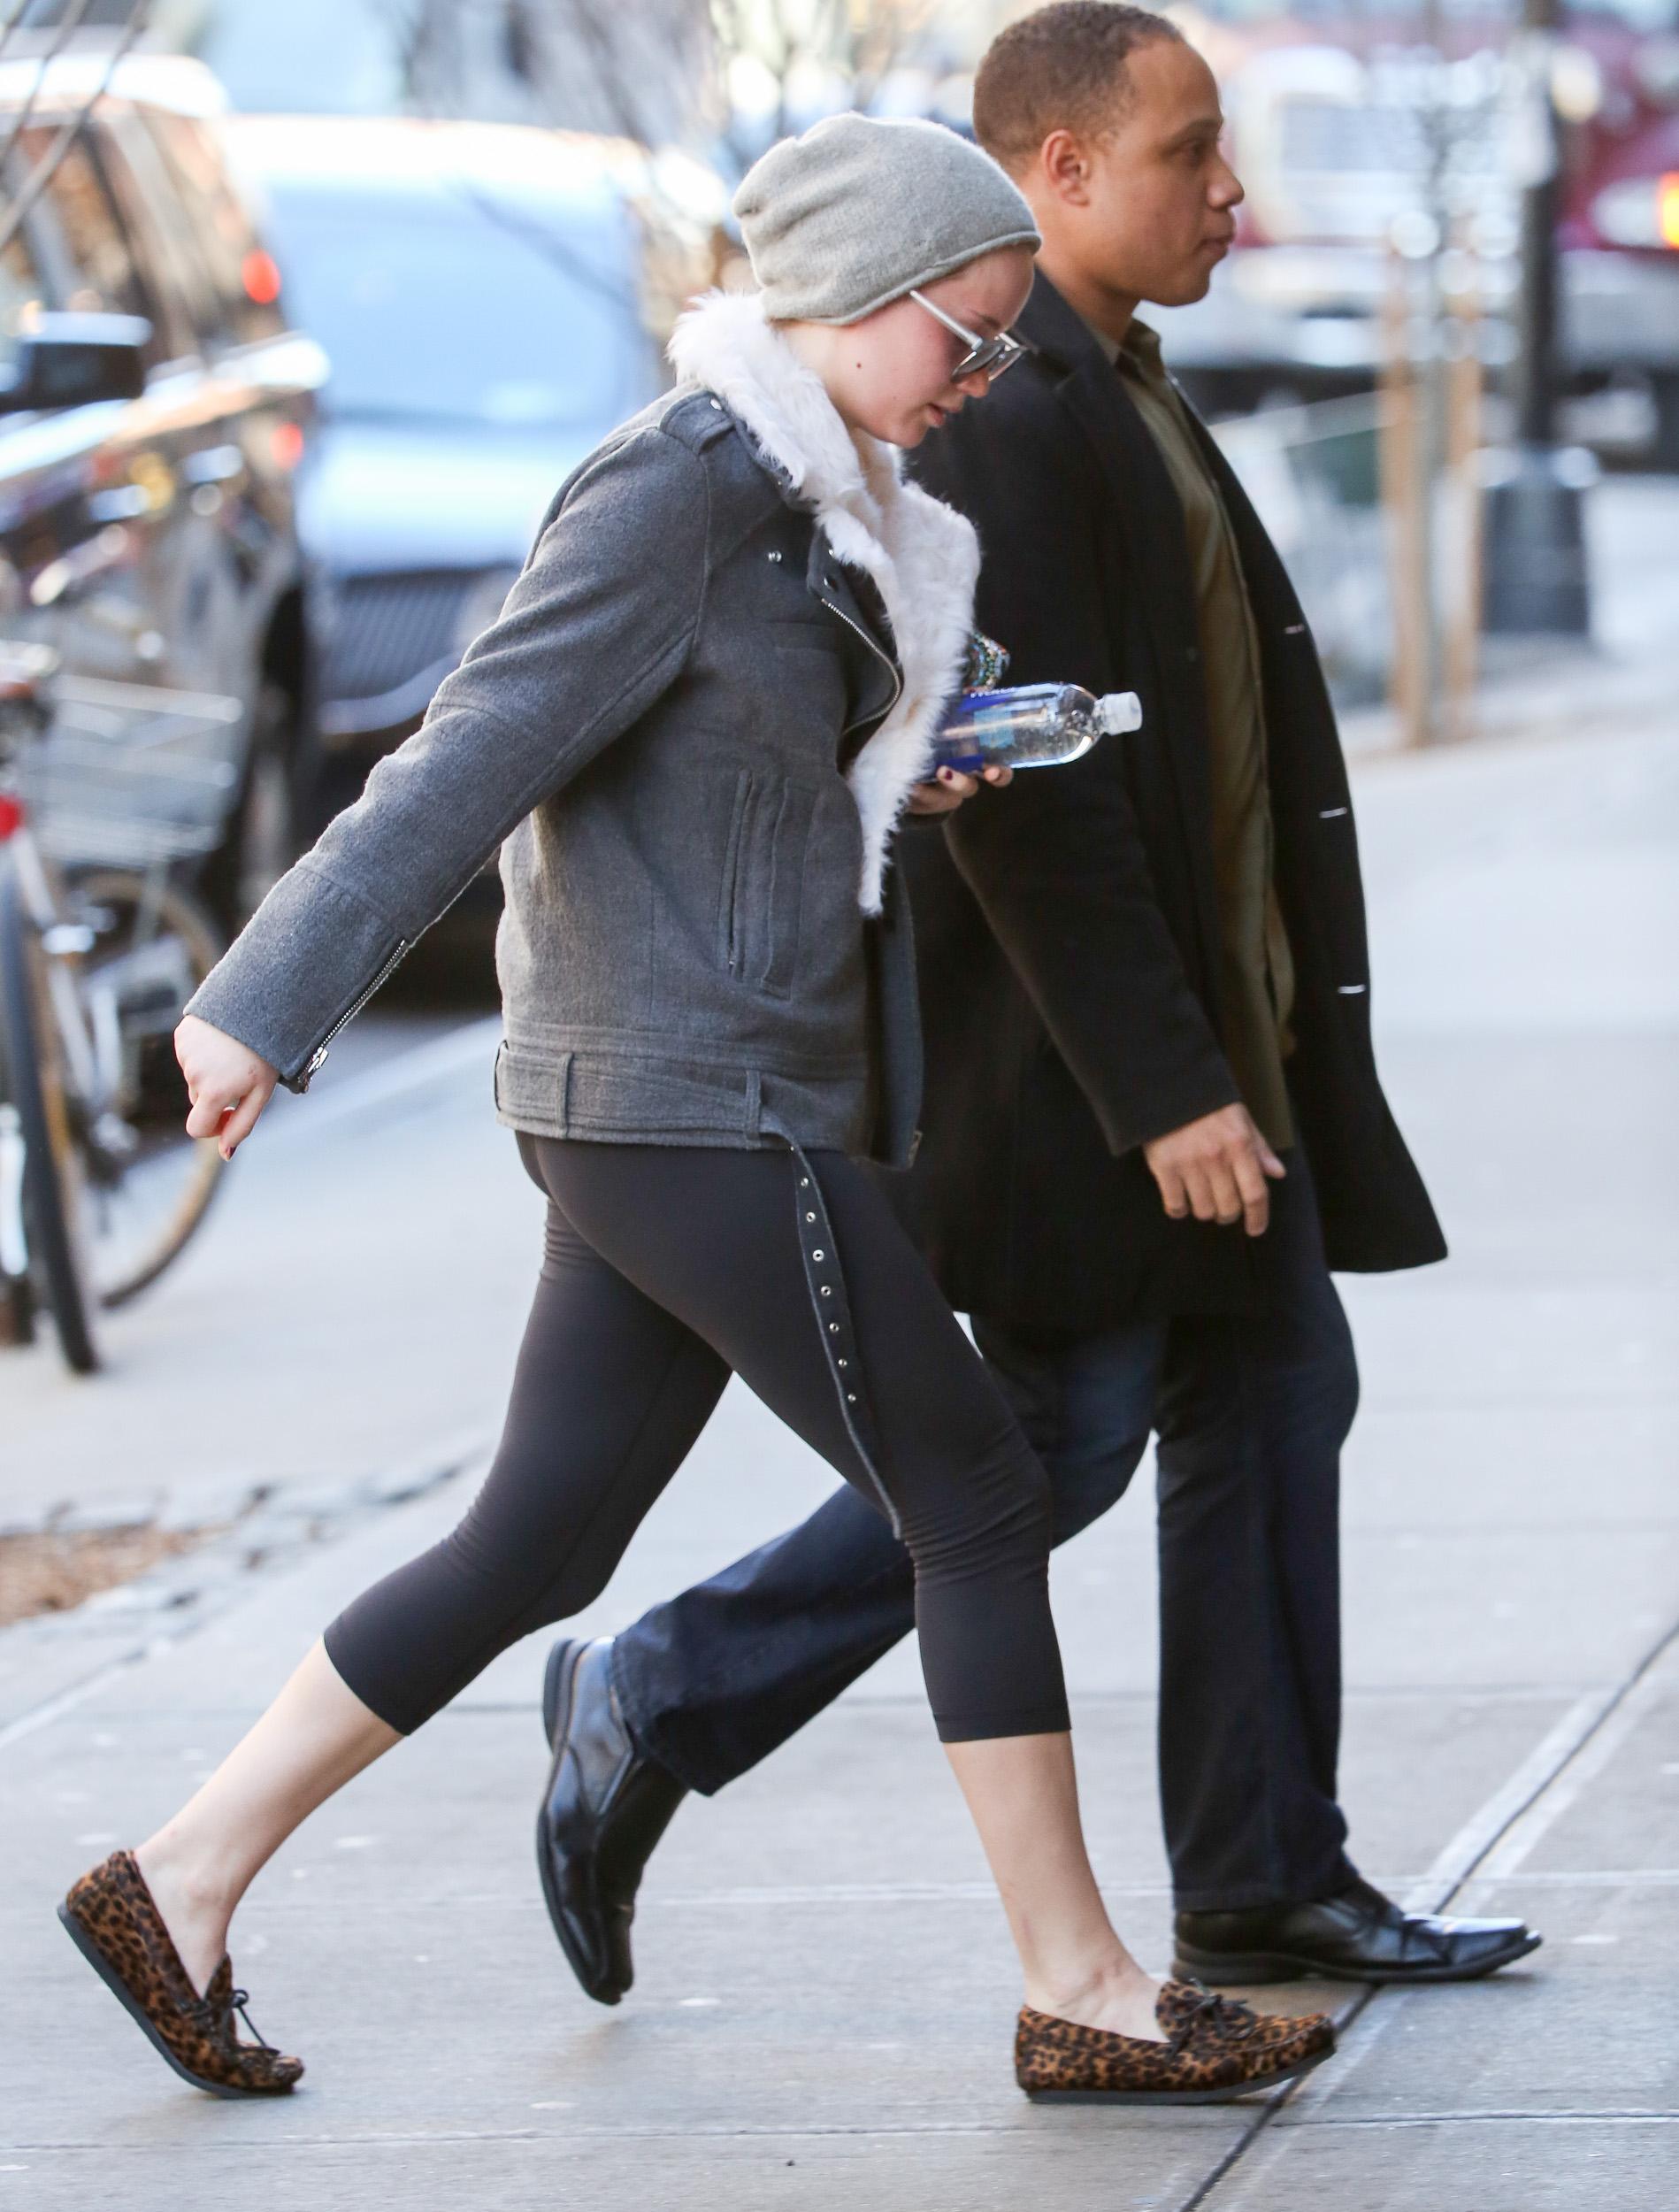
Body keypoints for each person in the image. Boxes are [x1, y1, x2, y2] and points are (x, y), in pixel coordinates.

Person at [57, 112, 1335, 2109]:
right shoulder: (681, 490)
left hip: (692, 1084)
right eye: (961, 339)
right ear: (839, 303)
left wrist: (914, 760)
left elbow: (739, 768)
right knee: (980, 1489)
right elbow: (467, 749)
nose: (982, 380)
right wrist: (257, 1005)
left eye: (1004, 346)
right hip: (687, 1094)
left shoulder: (841, 510)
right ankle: (1083, 1982)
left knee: (535, 1537)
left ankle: (176, 1871)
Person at [534, 7, 1540, 2008]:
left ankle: (1260, 1871)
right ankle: (657, 1684)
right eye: (1187, 154)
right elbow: (1031, 796)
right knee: (1052, 1443)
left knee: (1259, 1393)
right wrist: (1169, 1084)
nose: (1229, 194)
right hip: (1076, 1070)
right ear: (1057, 171)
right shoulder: (1004, 407)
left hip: (1182, 1037)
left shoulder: (1112, 381)